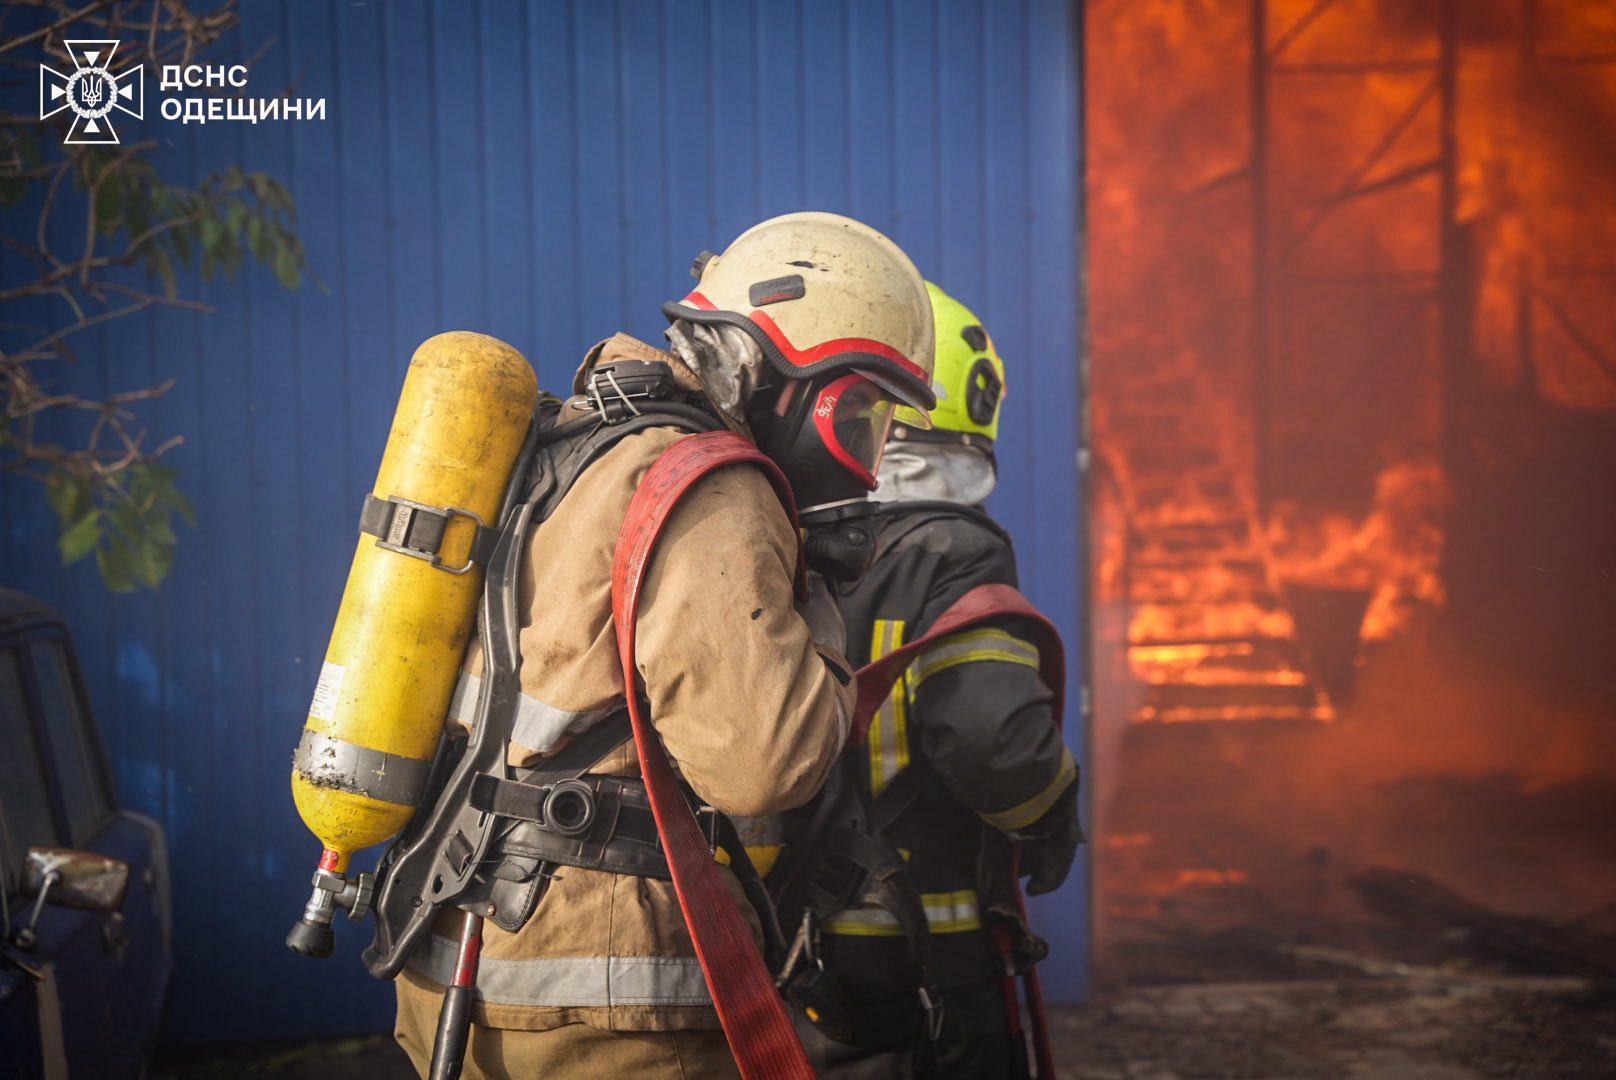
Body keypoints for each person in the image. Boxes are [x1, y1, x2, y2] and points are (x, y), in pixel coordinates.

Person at [387, 212, 937, 1077]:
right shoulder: (712, 484)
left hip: (460, 959)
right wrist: (822, 600)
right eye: (859, 411)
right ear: (772, 371)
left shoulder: (578, 444)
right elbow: (769, 760)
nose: (865, 459)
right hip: (605, 1006)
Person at [770, 282, 1082, 1078]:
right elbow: (991, 735)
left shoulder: (788, 541)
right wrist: (1049, 817)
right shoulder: (954, 552)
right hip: (922, 951)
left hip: (788, 938)